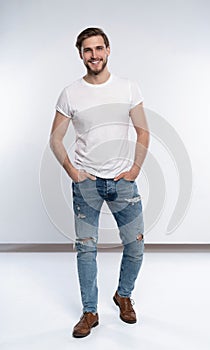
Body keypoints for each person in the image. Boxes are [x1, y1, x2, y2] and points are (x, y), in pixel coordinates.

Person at [50, 27, 149, 338]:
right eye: (87, 50)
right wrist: (71, 170)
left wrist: (134, 168)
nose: (94, 55)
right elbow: (55, 138)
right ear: (80, 55)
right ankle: (89, 311)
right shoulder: (70, 93)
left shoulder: (129, 87)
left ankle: (123, 295)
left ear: (108, 50)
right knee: (86, 250)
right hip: (87, 184)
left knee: (135, 245)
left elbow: (143, 131)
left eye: (98, 48)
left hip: (123, 182)